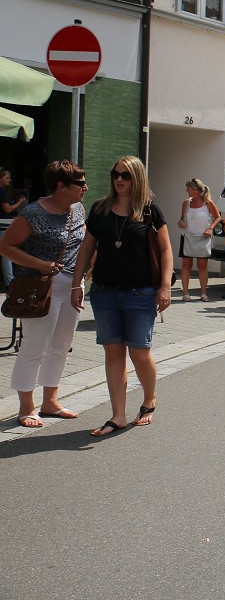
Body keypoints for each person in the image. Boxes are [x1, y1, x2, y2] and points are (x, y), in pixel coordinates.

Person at [72, 156, 172, 437]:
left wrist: (165, 286)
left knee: (139, 352)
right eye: (116, 174)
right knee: (113, 352)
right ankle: (118, 415)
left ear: (137, 178)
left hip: (140, 293)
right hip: (104, 292)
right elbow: (87, 249)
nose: (119, 179)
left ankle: (149, 398)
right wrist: (76, 283)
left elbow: (165, 251)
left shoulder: (150, 211)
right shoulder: (100, 209)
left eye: (126, 175)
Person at [0, 160, 87, 427]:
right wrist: (40, 264)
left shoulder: (78, 209)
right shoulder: (33, 213)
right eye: (80, 183)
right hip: (41, 286)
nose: (86, 187)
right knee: (34, 346)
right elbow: (5, 246)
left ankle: (51, 400)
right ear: (61, 186)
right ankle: (26, 407)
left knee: (61, 345)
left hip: (73, 285)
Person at [177, 178, 219, 302]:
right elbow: (182, 218)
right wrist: (180, 222)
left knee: (202, 266)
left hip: (203, 238)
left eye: (188, 188)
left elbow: (217, 217)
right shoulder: (186, 202)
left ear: (194, 189)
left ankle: (203, 293)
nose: (186, 190)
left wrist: (210, 228)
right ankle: (185, 293)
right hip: (187, 237)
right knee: (186, 265)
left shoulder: (208, 203)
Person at [0, 167, 27, 288]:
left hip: (4, 222)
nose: (9, 180)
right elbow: (7, 209)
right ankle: (9, 282)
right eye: (7, 177)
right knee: (6, 253)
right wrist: (20, 202)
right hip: (3, 224)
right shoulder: (1, 191)